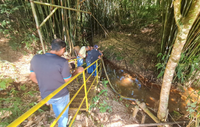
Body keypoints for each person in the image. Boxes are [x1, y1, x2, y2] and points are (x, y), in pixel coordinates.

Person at [29, 39, 84, 127]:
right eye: (64, 50)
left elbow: (32, 77)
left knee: (55, 107)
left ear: (51, 47)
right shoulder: (62, 62)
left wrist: (46, 83)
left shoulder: (35, 58)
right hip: (60, 95)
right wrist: (77, 71)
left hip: (45, 94)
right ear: (63, 49)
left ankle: (58, 119)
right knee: (63, 116)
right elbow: (68, 80)